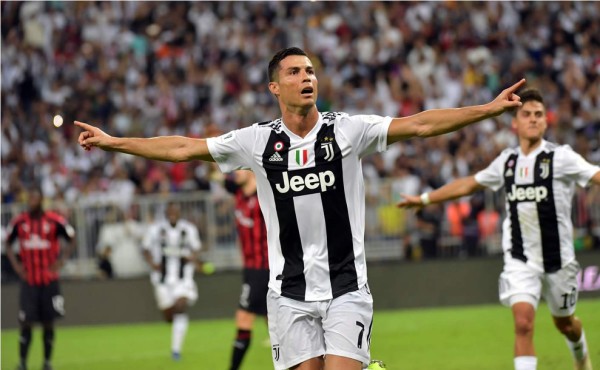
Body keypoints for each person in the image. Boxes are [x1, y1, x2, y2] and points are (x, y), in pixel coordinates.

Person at [75, 47, 525, 370]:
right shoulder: (256, 141)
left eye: (310, 70)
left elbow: (423, 124)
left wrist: (488, 109)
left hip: (346, 286)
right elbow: (181, 149)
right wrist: (116, 143)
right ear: (275, 86)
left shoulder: (349, 130)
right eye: (294, 71)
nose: (306, 77)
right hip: (287, 293)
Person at [398, 88, 599, 370]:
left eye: (538, 115)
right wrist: (425, 198)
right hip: (520, 259)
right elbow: (470, 184)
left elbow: (595, 175)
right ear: (515, 123)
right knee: (523, 323)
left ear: (545, 122)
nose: (532, 119)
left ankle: (581, 357)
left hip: (559, 259)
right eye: (526, 114)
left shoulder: (561, 158)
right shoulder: (508, 161)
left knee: (565, 324)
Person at [5, 188, 76, 370]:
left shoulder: (54, 220)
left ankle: (46, 362)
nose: (32, 201)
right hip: (29, 282)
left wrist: (61, 261)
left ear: (41, 199)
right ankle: (22, 362)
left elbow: (72, 238)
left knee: (48, 322)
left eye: (35, 197)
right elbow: (7, 242)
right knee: (26, 322)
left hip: (49, 280)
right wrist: (17, 266)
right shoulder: (20, 222)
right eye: (30, 198)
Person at [141, 202, 203, 361]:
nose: (172, 214)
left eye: (175, 212)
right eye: (170, 212)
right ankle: (173, 321)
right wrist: (152, 264)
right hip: (162, 279)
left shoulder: (188, 229)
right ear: (166, 213)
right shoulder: (155, 229)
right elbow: (145, 248)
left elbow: (196, 249)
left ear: (179, 213)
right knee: (169, 316)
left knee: (181, 306)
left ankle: (176, 350)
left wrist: (192, 258)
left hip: (183, 277)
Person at [223, 170, 270, 370]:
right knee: (277, 323)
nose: (234, 173)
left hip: (264, 268)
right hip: (251, 268)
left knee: (244, 318)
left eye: (239, 168)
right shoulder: (239, 193)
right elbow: (224, 180)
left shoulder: (264, 196)